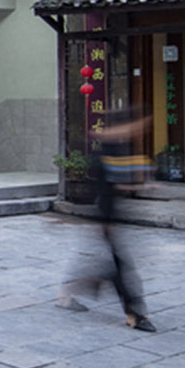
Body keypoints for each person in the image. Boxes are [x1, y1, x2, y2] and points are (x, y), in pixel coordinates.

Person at [57, 110, 155, 332]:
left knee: (110, 266)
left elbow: (120, 182)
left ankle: (67, 292)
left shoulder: (119, 147)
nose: (139, 130)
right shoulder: (108, 149)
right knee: (119, 267)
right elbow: (106, 184)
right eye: (138, 125)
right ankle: (134, 313)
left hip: (111, 217)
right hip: (105, 218)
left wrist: (141, 183)